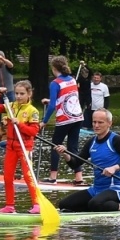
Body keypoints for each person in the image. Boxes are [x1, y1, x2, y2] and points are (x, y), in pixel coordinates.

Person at [53, 109, 120, 212]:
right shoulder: (91, 142)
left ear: (109, 123)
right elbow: (75, 164)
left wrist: (115, 168)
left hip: (115, 188)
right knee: (64, 205)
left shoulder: (116, 140)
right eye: (94, 122)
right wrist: (65, 154)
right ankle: (95, 207)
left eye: (100, 122)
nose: (96, 125)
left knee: (94, 203)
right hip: (96, 189)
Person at [0, 80, 45, 215]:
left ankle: (37, 204)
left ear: (29, 93)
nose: (18, 96)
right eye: (16, 93)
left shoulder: (32, 111)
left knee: (28, 175)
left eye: (22, 94)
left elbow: (33, 132)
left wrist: (19, 124)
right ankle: (10, 206)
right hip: (11, 146)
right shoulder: (10, 106)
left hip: (25, 146)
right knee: (7, 176)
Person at [42, 55, 87, 185]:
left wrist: (44, 121)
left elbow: (52, 107)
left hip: (65, 119)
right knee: (73, 147)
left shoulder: (55, 83)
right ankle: (79, 177)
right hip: (78, 117)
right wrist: (51, 100)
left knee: (55, 145)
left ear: (54, 68)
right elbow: (66, 98)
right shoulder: (72, 80)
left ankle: (53, 177)